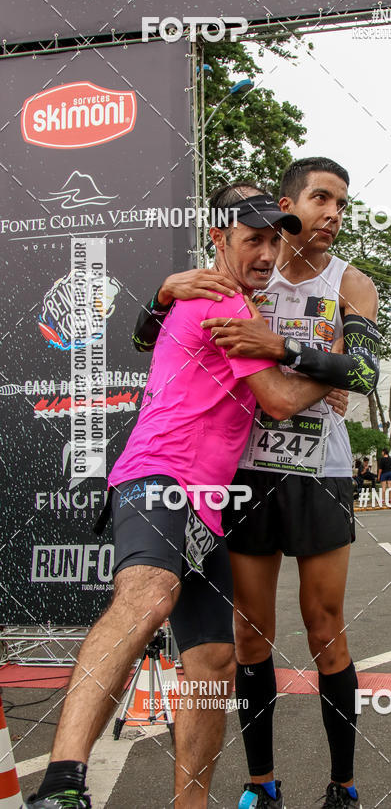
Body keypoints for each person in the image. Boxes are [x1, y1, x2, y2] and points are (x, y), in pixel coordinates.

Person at [26, 194, 335, 809]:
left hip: (208, 505)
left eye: (276, 242)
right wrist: (335, 374)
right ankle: (61, 784)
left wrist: (160, 298)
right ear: (219, 239)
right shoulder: (216, 299)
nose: (267, 254)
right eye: (254, 239)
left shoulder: (237, 308)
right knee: (148, 596)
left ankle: (190, 805)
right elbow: (276, 398)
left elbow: (148, 335)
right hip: (160, 477)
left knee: (216, 661)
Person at [136, 158, 380, 809]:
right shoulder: (240, 277)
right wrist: (160, 294)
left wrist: (286, 352)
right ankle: (261, 784)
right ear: (287, 205)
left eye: (341, 205)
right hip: (247, 472)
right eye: (320, 200)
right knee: (250, 636)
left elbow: (367, 370)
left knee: (326, 628)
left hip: (321, 473)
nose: (332, 215)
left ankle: (344, 786)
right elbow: (148, 334)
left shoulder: (351, 282)